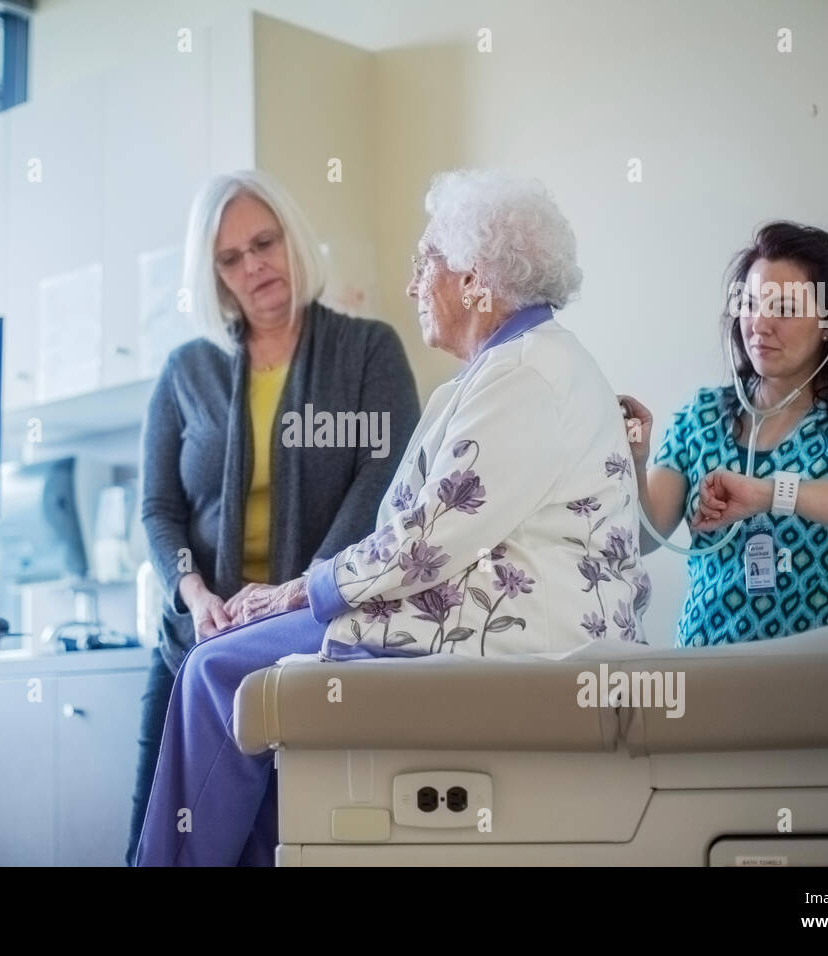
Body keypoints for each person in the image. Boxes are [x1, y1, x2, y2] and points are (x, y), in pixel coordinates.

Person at [135, 169, 650, 866]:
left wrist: (297, 589)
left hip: (504, 627)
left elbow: (425, 541)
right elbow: (424, 532)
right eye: (230, 257)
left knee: (217, 672)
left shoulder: (523, 374)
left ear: (475, 278)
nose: (413, 286)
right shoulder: (505, 370)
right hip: (470, 608)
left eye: (425, 264)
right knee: (229, 690)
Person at [127, 170, 419, 866]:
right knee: (156, 842)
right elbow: (159, 508)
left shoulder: (368, 351)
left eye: (264, 242)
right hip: (193, 644)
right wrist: (193, 594)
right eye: (231, 257)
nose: (253, 265)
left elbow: (382, 484)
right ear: (214, 274)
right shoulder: (185, 372)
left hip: (314, 641)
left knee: (281, 845)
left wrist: (293, 595)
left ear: (293, 239)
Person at [620, 221, 828, 646]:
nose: (760, 324)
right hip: (707, 665)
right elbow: (646, 537)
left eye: (786, 309)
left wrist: (771, 493)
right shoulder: (702, 416)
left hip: (821, 673)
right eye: (752, 304)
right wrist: (637, 461)